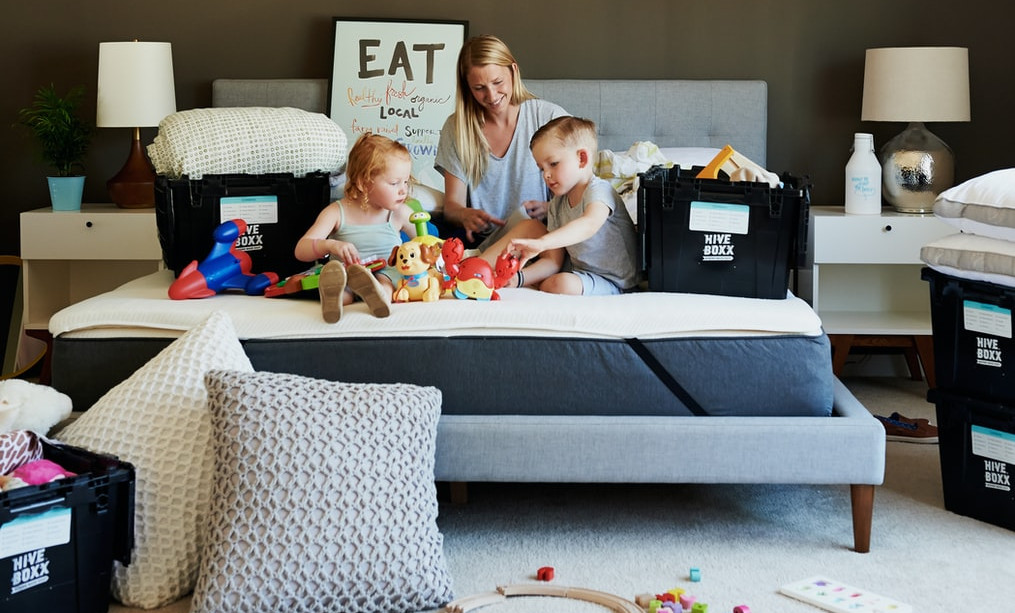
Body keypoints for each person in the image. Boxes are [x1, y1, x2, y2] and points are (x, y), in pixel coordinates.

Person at [434, 34, 569, 250]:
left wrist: (550, 208)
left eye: (498, 82)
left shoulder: (548, 118)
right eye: (479, 88)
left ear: (513, 71)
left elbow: (579, 194)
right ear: (467, 87)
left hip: (537, 237)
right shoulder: (456, 128)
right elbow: (452, 207)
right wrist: (464, 214)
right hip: (481, 240)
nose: (491, 96)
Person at [486, 116, 639, 295]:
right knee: (530, 226)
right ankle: (477, 268)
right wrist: (519, 278)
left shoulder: (599, 190)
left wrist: (542, 243)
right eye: (542, 168)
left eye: (553, 164)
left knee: (561, 284)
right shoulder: (557, 203)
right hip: (577, 270)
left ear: (582, 159)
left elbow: (589, 225)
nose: (546, 175)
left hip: (614, 281)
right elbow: (554, 261)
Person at [294, 133, 419, 323]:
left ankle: (378, 296)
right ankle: (334, 300)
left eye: (406, 181)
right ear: (363, 183)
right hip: (347, 274)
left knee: (386, 280)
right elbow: (301, 250)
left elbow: (425, 243)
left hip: (386, 272)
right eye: (394, 183)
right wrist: (330, 245)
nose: (403, 190)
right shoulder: (336, 212)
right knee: (343, 287)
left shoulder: (399, 213)